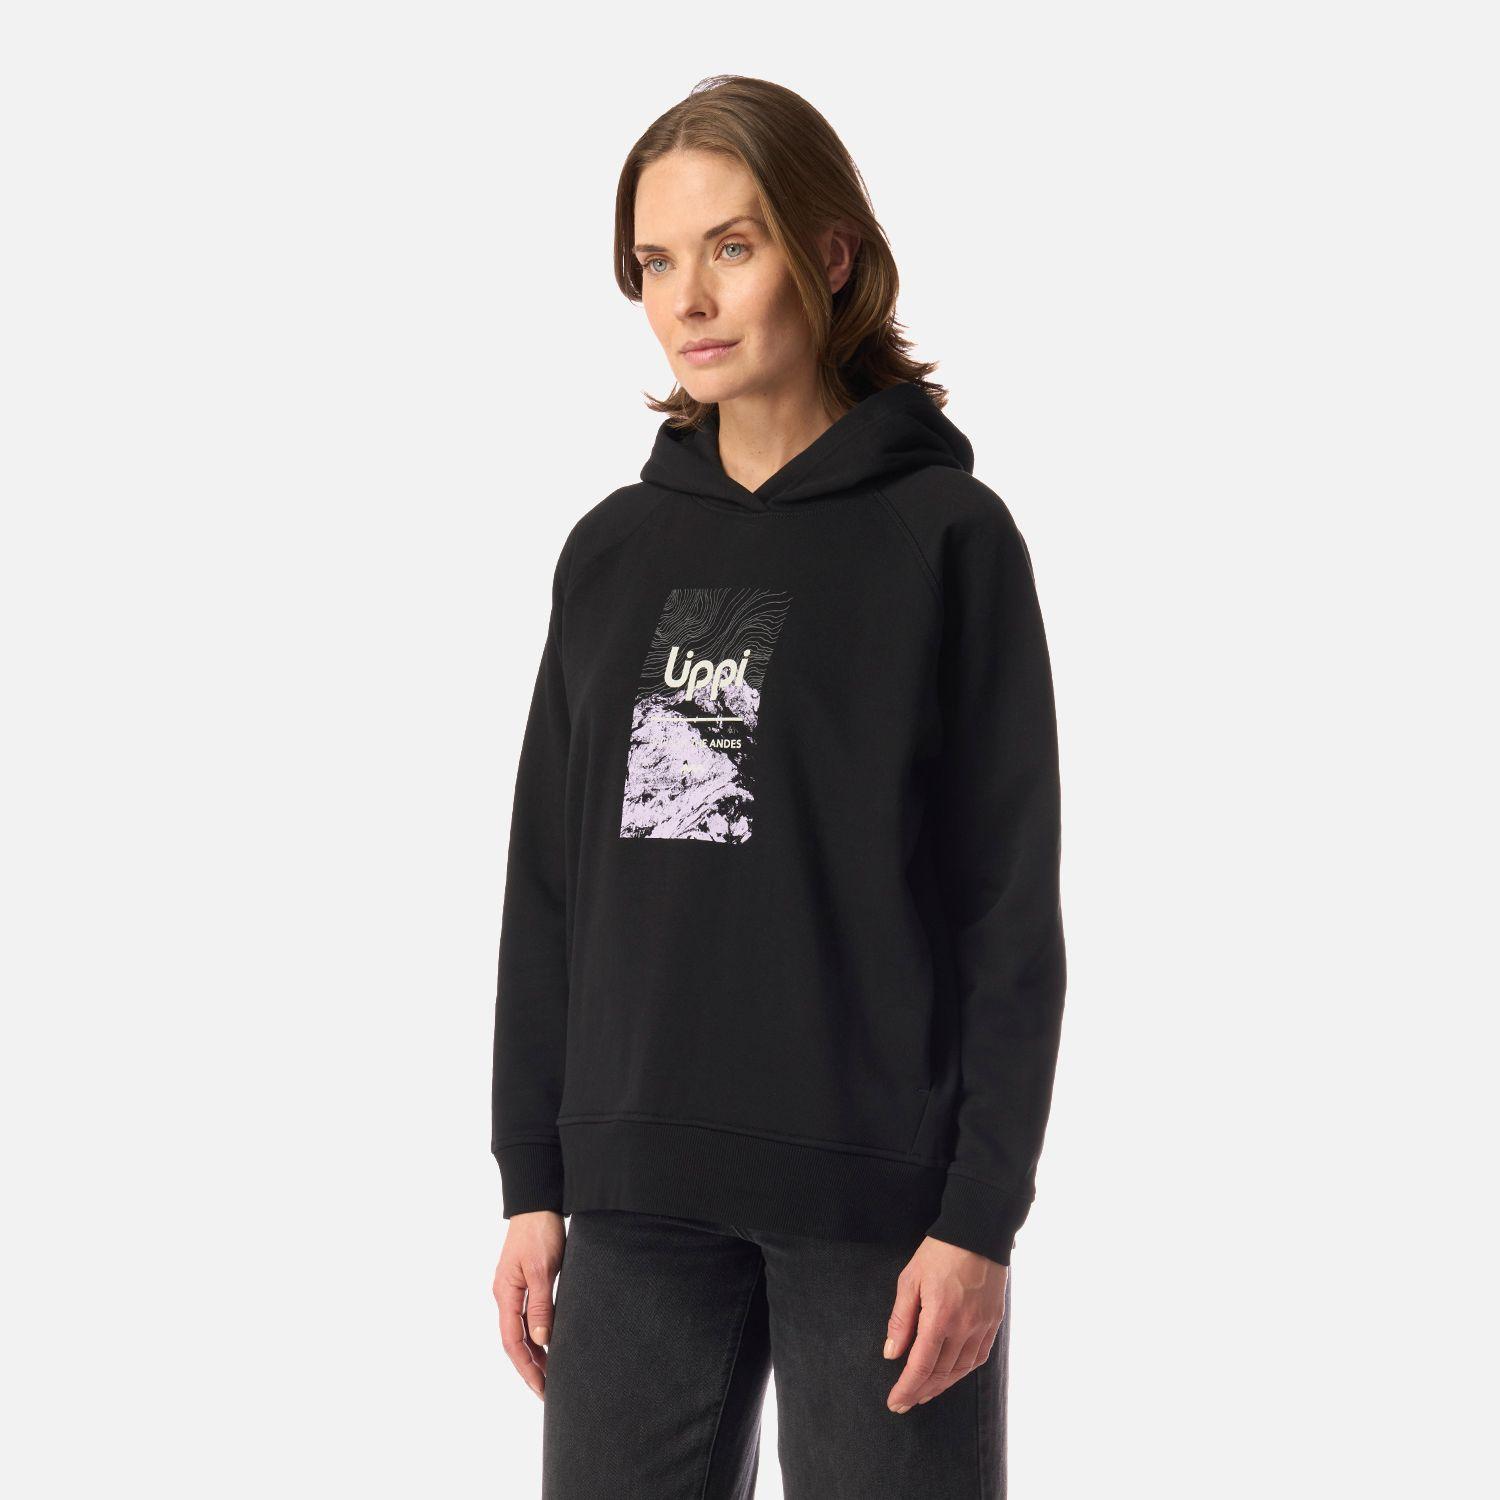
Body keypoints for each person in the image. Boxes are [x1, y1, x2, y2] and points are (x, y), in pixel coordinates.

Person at [490, 74, 1066, 1498]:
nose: (687, 298)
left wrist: (980, 1219)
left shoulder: (946, 540)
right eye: (654, 261)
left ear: (831, 254)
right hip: (637, 1196)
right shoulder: (614, 552)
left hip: (880, 1208)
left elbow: (1006, 907)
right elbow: (551, 882)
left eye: (731, 248)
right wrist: (533, 1180)